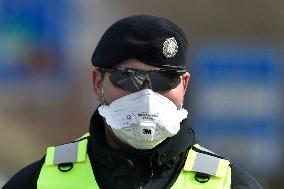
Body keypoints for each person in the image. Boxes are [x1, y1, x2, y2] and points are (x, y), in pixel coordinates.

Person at [3, 14, 263, 189]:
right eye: (128, 78)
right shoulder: (38, 182)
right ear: (97, 83)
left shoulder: (231, 184)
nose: (147, 96)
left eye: (164, 79)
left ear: (183, 85)